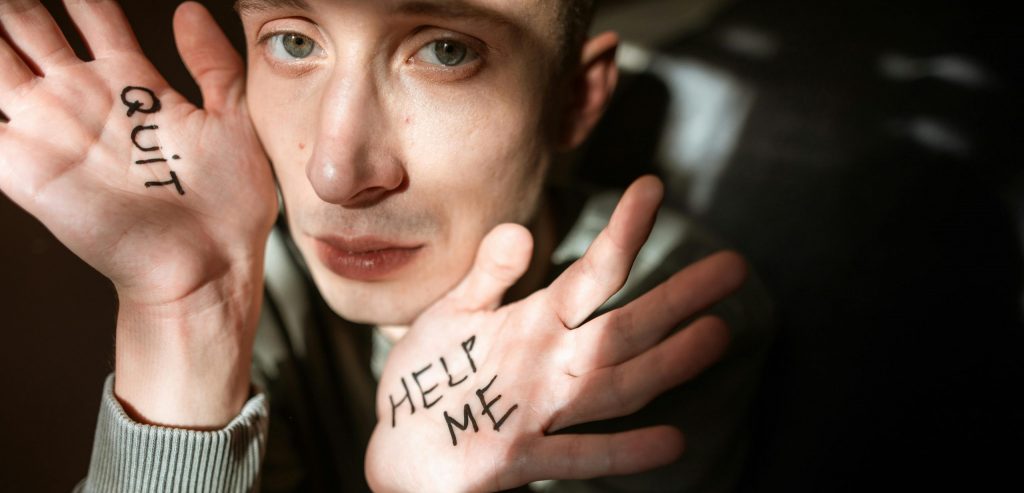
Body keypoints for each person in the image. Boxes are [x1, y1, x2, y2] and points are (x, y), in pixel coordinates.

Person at [0, 0, 772, 491]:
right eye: (295, 41)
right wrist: (183, 313)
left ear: (574, 98)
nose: (336, 173)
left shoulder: (646, 313)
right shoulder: (251, 270)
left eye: (443, 50)